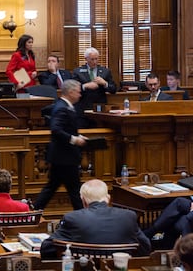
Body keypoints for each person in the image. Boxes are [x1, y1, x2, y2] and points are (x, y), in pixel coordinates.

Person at [39, 179, 151, 259]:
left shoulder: (73, 218)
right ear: (108, 198)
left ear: (83, 200)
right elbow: (146, 247)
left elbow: (46, 249)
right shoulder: (128, 216)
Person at [33, 79, 88, 211]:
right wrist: (74, 139)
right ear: (71, 92)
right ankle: (84, 217)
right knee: (73, 190)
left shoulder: (64, 105)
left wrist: (77, 136)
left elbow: (65, 129)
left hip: (62, 157)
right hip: (65, 157)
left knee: (53, 188)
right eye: (78, 92)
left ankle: (34, 212)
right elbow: (56, 129)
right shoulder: (62, 107)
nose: (80, 95)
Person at [72, 47, 117, 127]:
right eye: (92, 59)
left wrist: (105, 83)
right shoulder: (77, 72)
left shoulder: (105, 71)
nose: (95, 62)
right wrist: (85, 86)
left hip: (100, 109)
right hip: (83, 108)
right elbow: (72, 89)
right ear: (86, 59)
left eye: (96, 59)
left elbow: (113, 89)